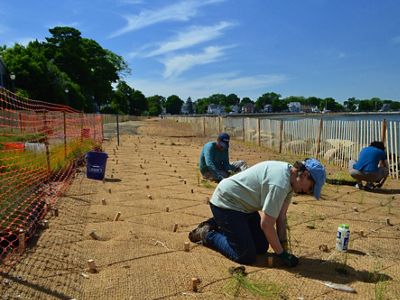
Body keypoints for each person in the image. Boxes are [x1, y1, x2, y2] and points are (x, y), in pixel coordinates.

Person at [189, 158, 326, 267]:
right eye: (311, 188)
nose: (308, 192)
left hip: (245, 207)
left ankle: (222, 223)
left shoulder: (291, 180)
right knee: (245, 255)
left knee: (261, 246)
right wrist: (282, 255)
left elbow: (281, 217)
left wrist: (284, 249)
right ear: (305, 175)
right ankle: (207, 234)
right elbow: (266, 224)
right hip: (226, 203)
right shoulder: (280, 183)